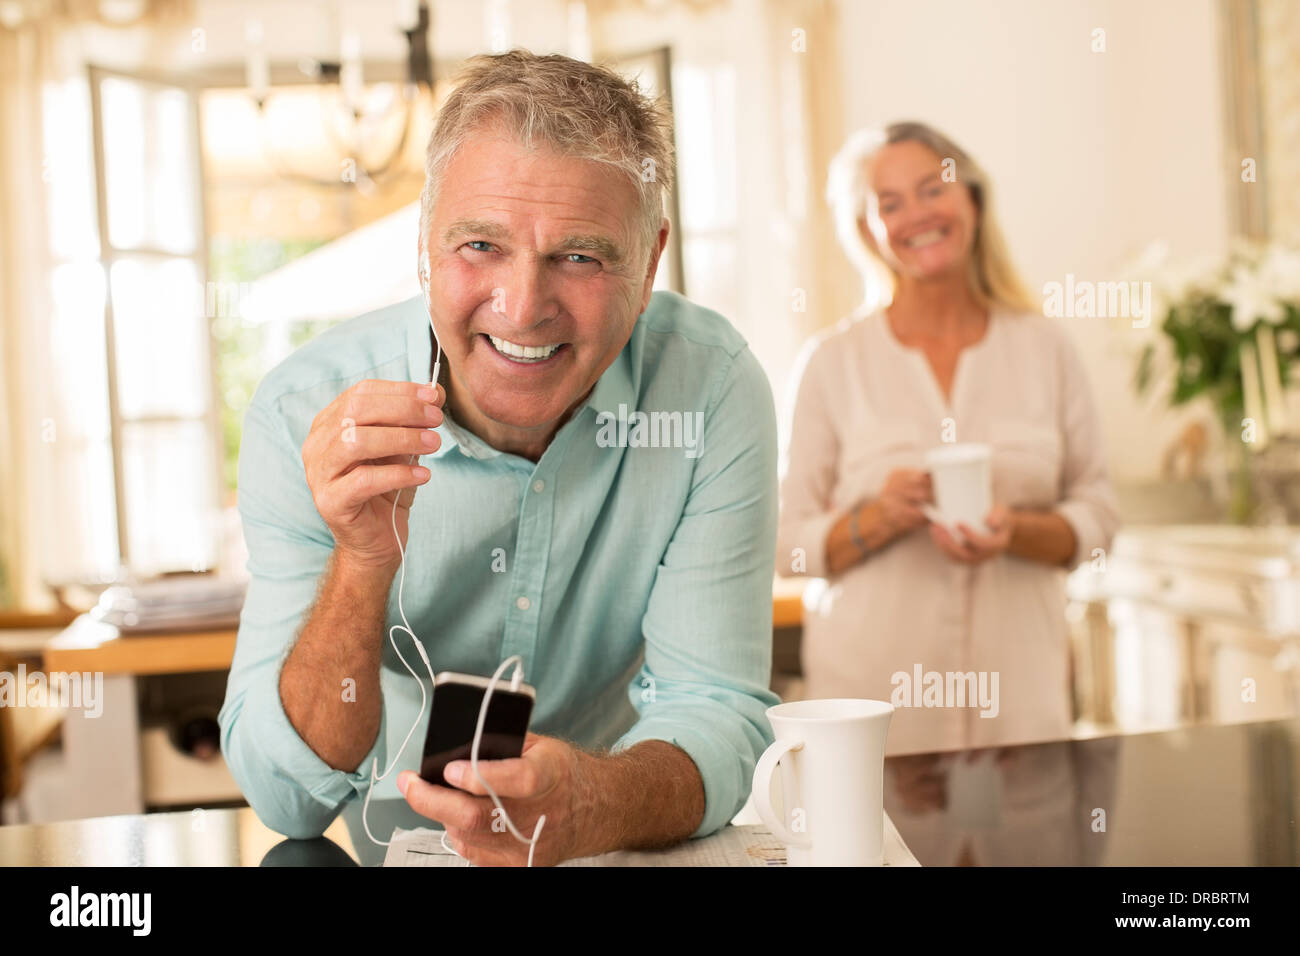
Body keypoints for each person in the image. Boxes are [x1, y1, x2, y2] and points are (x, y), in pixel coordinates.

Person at [218, 50, 780, 866]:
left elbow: (715, 710)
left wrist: (593, 803)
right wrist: (361, 561)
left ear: (651, 260)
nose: (523, 306)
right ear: (424, 243)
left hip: (618, 837)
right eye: (480, 244)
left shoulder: (711, 389)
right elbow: (287, 800)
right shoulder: (304, 410)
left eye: (580, 256)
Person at [776, 121, 1119, 755]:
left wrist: (1014, 530)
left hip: (1021, 706)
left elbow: (1099, 515)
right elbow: (786, 543)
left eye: (934, 189)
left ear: (974, 202)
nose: (917, 215)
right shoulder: (831, 362)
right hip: (874, 712)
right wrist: (878, 518)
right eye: (890, 202)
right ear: (866, 229)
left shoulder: (1046, 349)